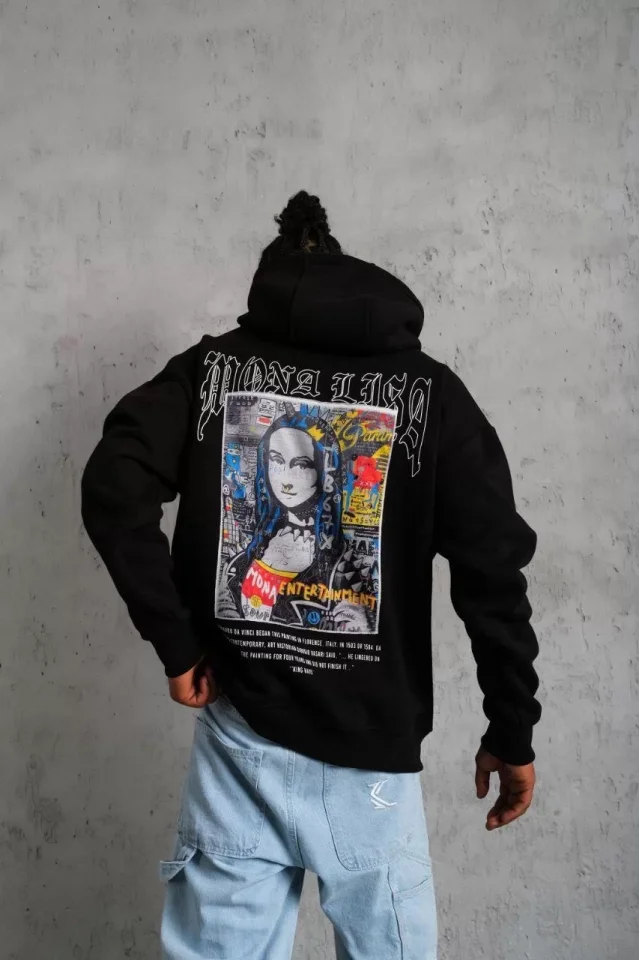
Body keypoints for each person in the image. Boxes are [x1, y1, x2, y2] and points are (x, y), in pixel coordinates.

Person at [81, 191, 541, 960]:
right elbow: (492, 570)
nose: (288, 476)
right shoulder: (431, 394)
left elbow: (113, 482)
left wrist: (177, 643)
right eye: (276, 462)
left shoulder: (210, 371)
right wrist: (511, 728)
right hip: (369, 758)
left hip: (241, 742)